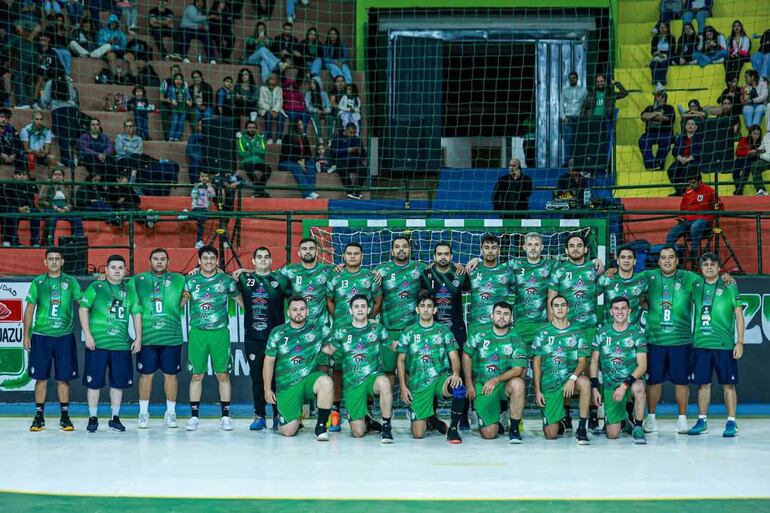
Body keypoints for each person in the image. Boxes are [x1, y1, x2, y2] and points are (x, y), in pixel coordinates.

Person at [182, 245, 244, 431]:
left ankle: (225, 417)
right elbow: (181, 302)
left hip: (219, 333)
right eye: (205, 258)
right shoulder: (190, 281)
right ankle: (194, 417)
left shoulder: (225, 280)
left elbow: (240, 300)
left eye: (212, 258)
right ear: (199, 261)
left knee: (223, 374)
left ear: (217, 261)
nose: (208, 261)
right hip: (198, 332)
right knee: (197, 375)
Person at [79, 254, 142, 433]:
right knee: (94, 383)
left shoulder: (130, 290)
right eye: (113, 267)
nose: (117, 271)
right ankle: (93, 418)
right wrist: (87, 335)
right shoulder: (96, 287)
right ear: (106, 270)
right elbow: (83, 309)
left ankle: (115, 418)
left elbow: (136, 314)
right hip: (97, 344)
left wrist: (138, 338)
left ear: (125, 271)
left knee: (118, 383)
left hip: (121, 345)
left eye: (120, 268)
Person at [640, 245, 700, 434]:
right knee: (653, 382)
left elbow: (711, 282)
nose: (667, 260)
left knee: (682, 382)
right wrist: (611, 270)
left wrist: (725, 277)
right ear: (658, 261)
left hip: (681, 341)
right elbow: (626, 280)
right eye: (663, 257)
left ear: (677, 260)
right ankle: (651, 418)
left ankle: (682, 420)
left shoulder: (689, 278)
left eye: (671, 257)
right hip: (654, 340)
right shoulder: (648, 276)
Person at [231, 247, 292, 430]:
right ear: (253, 261)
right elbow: (223, 280)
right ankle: (259, 415)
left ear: (271, 260)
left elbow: (295, 300)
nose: (263, 259)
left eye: (266, 257)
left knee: (277, 378)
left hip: (276, 339)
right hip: (253, 337)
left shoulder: (280, 280)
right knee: (257, 378)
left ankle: (278, 415)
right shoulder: (244, 279)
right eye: (259, 257)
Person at [23, 248, 83, 431]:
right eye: (51, 259)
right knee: (40, 378)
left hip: (64, 337)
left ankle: (65, 417)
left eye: (57, 259)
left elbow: (83, 304)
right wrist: (26, 335)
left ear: (62, 262)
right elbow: (30, 309)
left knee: (63, 379)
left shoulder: (70, 282)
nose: (54, 262)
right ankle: (39, 417)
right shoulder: (38, 282)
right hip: (41, 337)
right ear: (45, 262)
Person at [326, 241, 382, 430]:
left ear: (362, 256)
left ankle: (367, 411)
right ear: (344, 256)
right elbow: (329, 300)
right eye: (349, 253)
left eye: (356, 253)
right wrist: (339, 320)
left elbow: (378, 300)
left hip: (364, 333)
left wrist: (369, 320)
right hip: (341, 332)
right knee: (337, 370)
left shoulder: (370, 276)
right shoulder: (336, 275)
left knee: (365, 369)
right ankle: (335, 411)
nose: (352, 256)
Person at [322, 295, 394, 442]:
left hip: (372, 378)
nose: (360, 309)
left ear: (368, 309)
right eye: (356, 307)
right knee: (358, 432)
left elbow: (394, 346)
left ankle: (386, 427)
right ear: (350, 310)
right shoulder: (343, 331)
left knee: (385, 383)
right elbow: (329, 350)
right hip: (353, 384)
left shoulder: (377, 329)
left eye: (363, 306)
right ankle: (367, 421)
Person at [547, 234, 601, 430]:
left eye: (579, 245)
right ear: (566, 250)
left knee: (590, 369)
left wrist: (609, 268)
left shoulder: (594, 268)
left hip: (588, 326)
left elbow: (612, 280)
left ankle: (593, 413)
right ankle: (566, 414)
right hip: (566, 328)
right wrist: (554, 327)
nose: (576, 248)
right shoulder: (559, 270)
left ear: (586, 249)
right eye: (572, 246)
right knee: (566, 369)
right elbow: (551, 298)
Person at [687, 253, 744, 438]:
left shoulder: (729, 285)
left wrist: (740, 342)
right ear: (701, 268)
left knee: (729, 385)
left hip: (724, 345)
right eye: (705, 264)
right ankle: (702, 421)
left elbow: (739, 315)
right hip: (701, 344)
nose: (709, 267)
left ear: (719, 268)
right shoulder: (695, 285)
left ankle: (731, 422)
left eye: (713, 264)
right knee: (703, 384)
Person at [397, 292, 465, 443]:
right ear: (417, 309)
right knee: (418, 434)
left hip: (440, 379)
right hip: (419, 383)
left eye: (429, 306)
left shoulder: (444, 331)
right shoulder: (408, 332)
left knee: (459, 387)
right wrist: (402, 386)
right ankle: (432, 418)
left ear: (435, 310)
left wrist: (455, 373)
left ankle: (453, 429)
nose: (426, 309)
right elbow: (400, 360)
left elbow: (454, 356)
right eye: (422, 306)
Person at [130, 249, 186, 429]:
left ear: (168, 261)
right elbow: (117, 285)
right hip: (148, 338)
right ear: (150, 261)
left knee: (171, 376)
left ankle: (171, 413)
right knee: (146, 376)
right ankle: (143, 413)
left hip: (171, 337)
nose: (159, 262)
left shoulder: (179, 279)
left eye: (163, 259)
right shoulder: (139, 279)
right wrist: (102, 278)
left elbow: (197, 283)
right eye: (156, 259)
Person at [264, 296, 333, 440]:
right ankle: (293, 415)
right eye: (294, 309)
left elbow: (340, 337)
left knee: (326, 382)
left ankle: (321, 427)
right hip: (287, 385)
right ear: (288, 312)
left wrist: (366, 323)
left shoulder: (318, 329)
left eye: (302, 309)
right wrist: (267, 389)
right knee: (288, 431)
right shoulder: (277, 333)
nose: (298, 313)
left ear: (307, 311)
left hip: (308, 380)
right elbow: (269, 361)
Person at [463, 302, 528, 443]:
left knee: (518, 383)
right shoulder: (479, 333)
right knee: (488, 434)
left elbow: (518, 369)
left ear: (511, 318)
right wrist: (469, 383)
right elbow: (467, 354)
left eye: (506, 314)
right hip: (483, 383)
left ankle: (514, 429)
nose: (502, 317)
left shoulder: (517, 338)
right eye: (498, 313)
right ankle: (496, 421)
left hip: (504, 384)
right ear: (492, 316)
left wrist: (496, 380)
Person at [532, 295, 591, 444]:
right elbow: (536, 362)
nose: (560, 308)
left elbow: (583, 361)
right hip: (549, 384)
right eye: (556, 305)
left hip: (569, 380)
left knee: (585, 382)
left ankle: (582, 428)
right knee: (551, 435)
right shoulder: (542, 332)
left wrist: (573, 378)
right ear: (551, 309)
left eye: (563, 305)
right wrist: (537, 390)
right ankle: (560, 418)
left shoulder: (577, 332)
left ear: (568, 309)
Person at [590, 297, 648, 444]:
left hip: (630, 382)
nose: (619, 312)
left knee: (639, 387)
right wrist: (595, 387)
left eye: (623, 308)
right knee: (612, 435)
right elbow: (594, 362)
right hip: (611, 385)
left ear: (629, 311)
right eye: (616, 308)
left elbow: (642, 366)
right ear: (611, 312)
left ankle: (638, 427)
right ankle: (623, 420)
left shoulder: (637, 334)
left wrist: (624, 386)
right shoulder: (601, 333)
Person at [372, 237, 427, 378]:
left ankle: (409, 394)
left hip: (412, 328)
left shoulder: (421, 268)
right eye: (397, 246)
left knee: (411, 370)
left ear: (410, 249)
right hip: (389, 329)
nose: (401, 249)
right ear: (392, 251)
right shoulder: (381, 270)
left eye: (404, 246)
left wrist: (459, 265)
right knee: (388, 371)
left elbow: (439, 268)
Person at [467, 234, 515, 328]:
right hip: (476, 327)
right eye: (486, 247)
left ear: (499, 250)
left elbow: (520, 293)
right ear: (481, 250)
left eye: (494, 247)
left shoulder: (507, 272)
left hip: (500, 327)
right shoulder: (472, 271)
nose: (490, 251)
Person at [665, 173, 715, 260]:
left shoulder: (710, 191)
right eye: (690, 183)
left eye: (693, 183)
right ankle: (668, 256)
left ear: (700, 181)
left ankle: (693, 252)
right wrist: (681, 218)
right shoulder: (688, 193)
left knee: (695, 226)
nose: (691, 185)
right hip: (688, 221)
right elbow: (683, 209)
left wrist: (710, 218)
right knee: (672, 234)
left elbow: (719, 207)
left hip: (703, 220)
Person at [597, 245, 648, 326]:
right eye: (623, 257)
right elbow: (589, 296)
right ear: (618, 261)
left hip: (633, 330)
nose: (626, 260)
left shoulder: (642, 281)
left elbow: (647, 303)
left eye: (629, 257)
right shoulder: (607, 278)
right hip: (609, 330)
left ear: (634, 261)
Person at [38, 166, 84, 244]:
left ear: (62, 176)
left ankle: (78, 239)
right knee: (52, 216)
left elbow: (70, 203)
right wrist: (55, 207)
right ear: (52, 176)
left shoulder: (66, 186)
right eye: (55, 174)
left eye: (60, 175)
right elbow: (41, 201)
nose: (57, 176)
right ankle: (49, 240)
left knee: (76, 216)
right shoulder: (47, 185)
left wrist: (66, 208)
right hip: (51, 209)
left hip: (64, 210)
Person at [278, 119, 317, 199]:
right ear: (295, 126)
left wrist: (303, 160)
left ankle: (310, 192)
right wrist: (299, 161)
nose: (302, 127)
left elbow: (308, 153)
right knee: (296, 167)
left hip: (301, 161)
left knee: (310, 164)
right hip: (286, 162)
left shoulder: (304, 138)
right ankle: (308, 193)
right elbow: (287, 154)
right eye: (300, 125)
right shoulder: (287, 137)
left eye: (302, 124)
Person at [2, 168, 40, 247]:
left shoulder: (29, 186)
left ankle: (35, 242)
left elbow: (31, 200)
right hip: (14, 209)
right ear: (15, 176)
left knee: (36, 212)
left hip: (26, 209)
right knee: (12, 212)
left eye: (24, 175)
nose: (22, 176)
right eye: (19, 174)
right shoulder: (9, 185)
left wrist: (29, 207)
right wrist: (18, 208)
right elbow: (8, 201)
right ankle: (14, 242)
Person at [638, 90, 676, 170]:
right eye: (656, 96)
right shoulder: (649, 107)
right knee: (643, 140)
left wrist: (650, 116)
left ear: (663, 98)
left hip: (665, 132)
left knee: (665, 140)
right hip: (650, 133)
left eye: (658, 96)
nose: (655, 98)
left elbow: (667, 118)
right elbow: (643, 116)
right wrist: (656, 113)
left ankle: (659, 164)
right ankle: (650, 164)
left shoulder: (669, 108)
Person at [329, 122, 368, 199]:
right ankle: (350, 191)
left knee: (363, 169)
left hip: (354, 161)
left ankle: (356, 192)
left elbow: (364, 155)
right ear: (346, 130)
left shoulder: (357, 139)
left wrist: (360, 151)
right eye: (351, 132)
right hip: (342, 160)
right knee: (341, 168)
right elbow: (333, 152)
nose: (352, 135)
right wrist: (346, 150)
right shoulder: (337, 138)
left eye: (354, 133)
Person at [667, 119, 702, 196]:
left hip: (693, 160)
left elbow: (700, 151)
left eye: (692, 124)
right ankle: (679, 192)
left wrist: (689, 158)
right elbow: (675, 150)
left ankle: (686, 191)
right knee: (671, 170)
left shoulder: (699, 138)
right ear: (685, 127)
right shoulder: (681, 138)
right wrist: (679, 158)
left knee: (684, 171)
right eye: (688, 124)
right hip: (681, 160)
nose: (690, 126)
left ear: (696, 127)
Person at [237, 120, 271, 198]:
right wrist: (256, 150)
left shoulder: (260, 138)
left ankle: (258, 191)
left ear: (256, 129)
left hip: (258, 161)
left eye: (253, 127)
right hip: (247, 162)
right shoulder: (242, 138)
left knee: (268, 169)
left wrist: (251, 149)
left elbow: (263, 151)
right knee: (249, 168)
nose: (251, 129)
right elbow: (241, 153)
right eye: (249, 128)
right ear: (246, 129)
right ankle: (260, 191)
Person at [560, 71, 586, 164]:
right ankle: (567, 162)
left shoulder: (583, 90)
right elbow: (561, 104)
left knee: (579, 140)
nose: (572, 80)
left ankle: (579, 162)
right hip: (568, 117)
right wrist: (563, 117)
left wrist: (583, 116)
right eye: (571, 78)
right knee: (568, 141)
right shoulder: (565, 90)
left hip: (579, 118)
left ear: (577, 79)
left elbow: (585, 103)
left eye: (574, 78)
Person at [733, 125, 766, 196]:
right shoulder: (744, 139)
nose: (756, 136)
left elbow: (763, 153)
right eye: (754, 133)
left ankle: (739, 189)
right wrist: (748, 152)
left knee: (747, 168)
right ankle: (738, 188)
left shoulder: (761, 142)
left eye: (758, 134)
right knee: (735, 169)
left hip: (753, 159)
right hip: (742, 158)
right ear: (750, 133)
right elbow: (738, 152)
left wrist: (757, 152)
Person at [20, 112, 55, 177]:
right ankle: (32, 179)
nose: (39, 121)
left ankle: (51, 178)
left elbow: (47, 150)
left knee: (52, 158)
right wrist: (35, 152)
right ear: (33, 120)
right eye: (37, 119)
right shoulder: (26, 130)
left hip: (41, 154)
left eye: (41, 119)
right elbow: (26, 149)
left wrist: (43, 152)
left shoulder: (47, 131)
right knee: (31, 157)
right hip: (29, 154)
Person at [190, 170, 216, 248]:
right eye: (202, 176)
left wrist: (210, 187)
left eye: (206, 176)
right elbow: (193, 196)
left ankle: (199, 241)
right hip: (196, 208)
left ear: (208, 178)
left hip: (204, 209)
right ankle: (199, 241)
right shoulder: (197, 185)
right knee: (200, 220)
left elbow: (213, 195)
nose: (204, 178)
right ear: (199, 178)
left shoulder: (209, 186)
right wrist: (196, 188)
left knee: (200, 220)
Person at [165, 72, 191, 141]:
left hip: (183, 109)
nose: (178, 81)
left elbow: (188, 97)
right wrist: (171, 100)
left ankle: (177, 137)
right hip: (175, 109)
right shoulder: (171, 88)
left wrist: (188, 101)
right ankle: (171, 136)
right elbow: (168, 98)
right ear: (174, 80)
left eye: (180, 79)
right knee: (175, 122)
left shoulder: (185, 89)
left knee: (181, 124)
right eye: (176, 79)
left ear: (182, 81)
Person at [259, 73, 284, 144]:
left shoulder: (279, 89)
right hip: (265, 109)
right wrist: (270, 110)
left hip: (276, 110)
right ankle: (269, 138)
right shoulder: (262, 89)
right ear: (268, 80)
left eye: (275, 79)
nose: (273, 80)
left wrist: (274, 110)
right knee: (268, 115)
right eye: (271, 78)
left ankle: (279, 138)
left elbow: (280, 102)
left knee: (281, 116)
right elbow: (260, 102)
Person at [724, 20, 751, 84]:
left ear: (741, 27)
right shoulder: (730, 38)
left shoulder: (745, 38)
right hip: (733, 56)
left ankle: (735, 79)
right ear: (732, 28)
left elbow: (745, 51)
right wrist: (731, 54)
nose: (736, 28)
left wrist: (736, 53)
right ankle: (728, 80)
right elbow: (728, 49)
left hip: (743, 56)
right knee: (726, 59)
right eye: (734, 26)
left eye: (738, 26)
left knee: (738, 58)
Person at [650, 21, 675, 86]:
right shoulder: (655, 38)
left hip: (667, 57)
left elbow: (672, 51)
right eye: (661, 27)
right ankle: (657, 83)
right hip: (657, 57)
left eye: (664, 27)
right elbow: (652, 51)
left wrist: (663, 54)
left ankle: (661, 82)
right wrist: (656, 54)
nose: (662, 29)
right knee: (653, 63)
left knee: (663, 63)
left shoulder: (671, 38)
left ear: (667, 28)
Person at [186, 120, 203, 185]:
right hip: (196, 158)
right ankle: (195, 186)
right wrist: (196, 157)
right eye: (200, 125)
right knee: (194, 165)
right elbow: (189, 150)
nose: (201, 127)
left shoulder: (209, 136)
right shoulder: (193, 136)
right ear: (197, 127)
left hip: (206, 160)